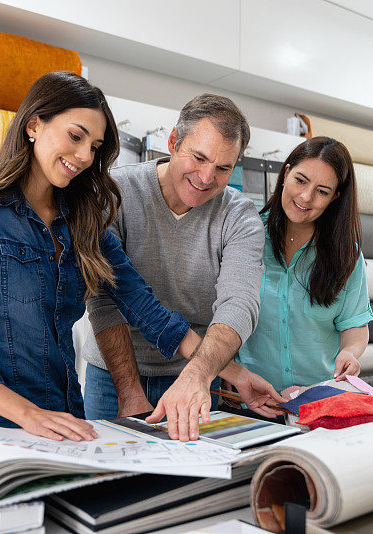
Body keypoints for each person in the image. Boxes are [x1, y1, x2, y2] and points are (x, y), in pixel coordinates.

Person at [0, 71, 193, 442]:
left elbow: (147, 310)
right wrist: (30, 415)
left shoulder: (84, 222)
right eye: (75, 136)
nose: (84, 156)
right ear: (34, 125)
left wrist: (231, 372)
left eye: (94, 146)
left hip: (67, 421)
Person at [81, 94, 285, 441]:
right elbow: (104, 300)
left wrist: (200, 374)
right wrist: (129, 391)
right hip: (113, 375)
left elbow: (239, 304)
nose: (207, 177)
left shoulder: (239, 215)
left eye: (223, 168)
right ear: (174, 141)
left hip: (198, 377)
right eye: (199, 157)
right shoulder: (115, 193)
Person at [237, 137, 373, 395]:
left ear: (335, 197)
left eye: (322, 191)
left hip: (317, 399)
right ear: (286, 173)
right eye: (300, 180)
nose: (305, 197)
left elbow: (354, 327)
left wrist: (349, 353)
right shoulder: (246, 236)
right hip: (249, 400)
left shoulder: (346, 255)